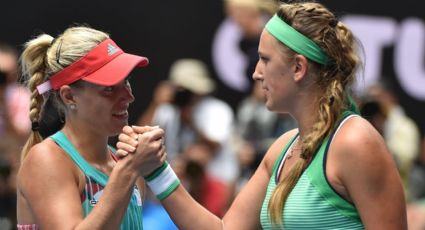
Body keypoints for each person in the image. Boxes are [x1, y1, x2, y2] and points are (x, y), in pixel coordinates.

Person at [118, 2, 407, 229]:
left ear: (298, 68)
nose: (256, 73)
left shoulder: (355, 142)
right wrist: (157, 170)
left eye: (265, 59)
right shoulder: (281, 149)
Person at [16, 26, 166, 230]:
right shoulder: (46, 160)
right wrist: (129, 169)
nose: (129, 97)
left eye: (126, 82)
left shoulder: (125, 166)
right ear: (69, 96)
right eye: (109, 88)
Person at [138, 58, 238, 185]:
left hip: (215, 181)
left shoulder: (217, 110)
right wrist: (155, 104)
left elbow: (214, 147)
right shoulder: (167, 110)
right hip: (175, 184)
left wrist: (191, 123)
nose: (187, 94)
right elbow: (139, 138)